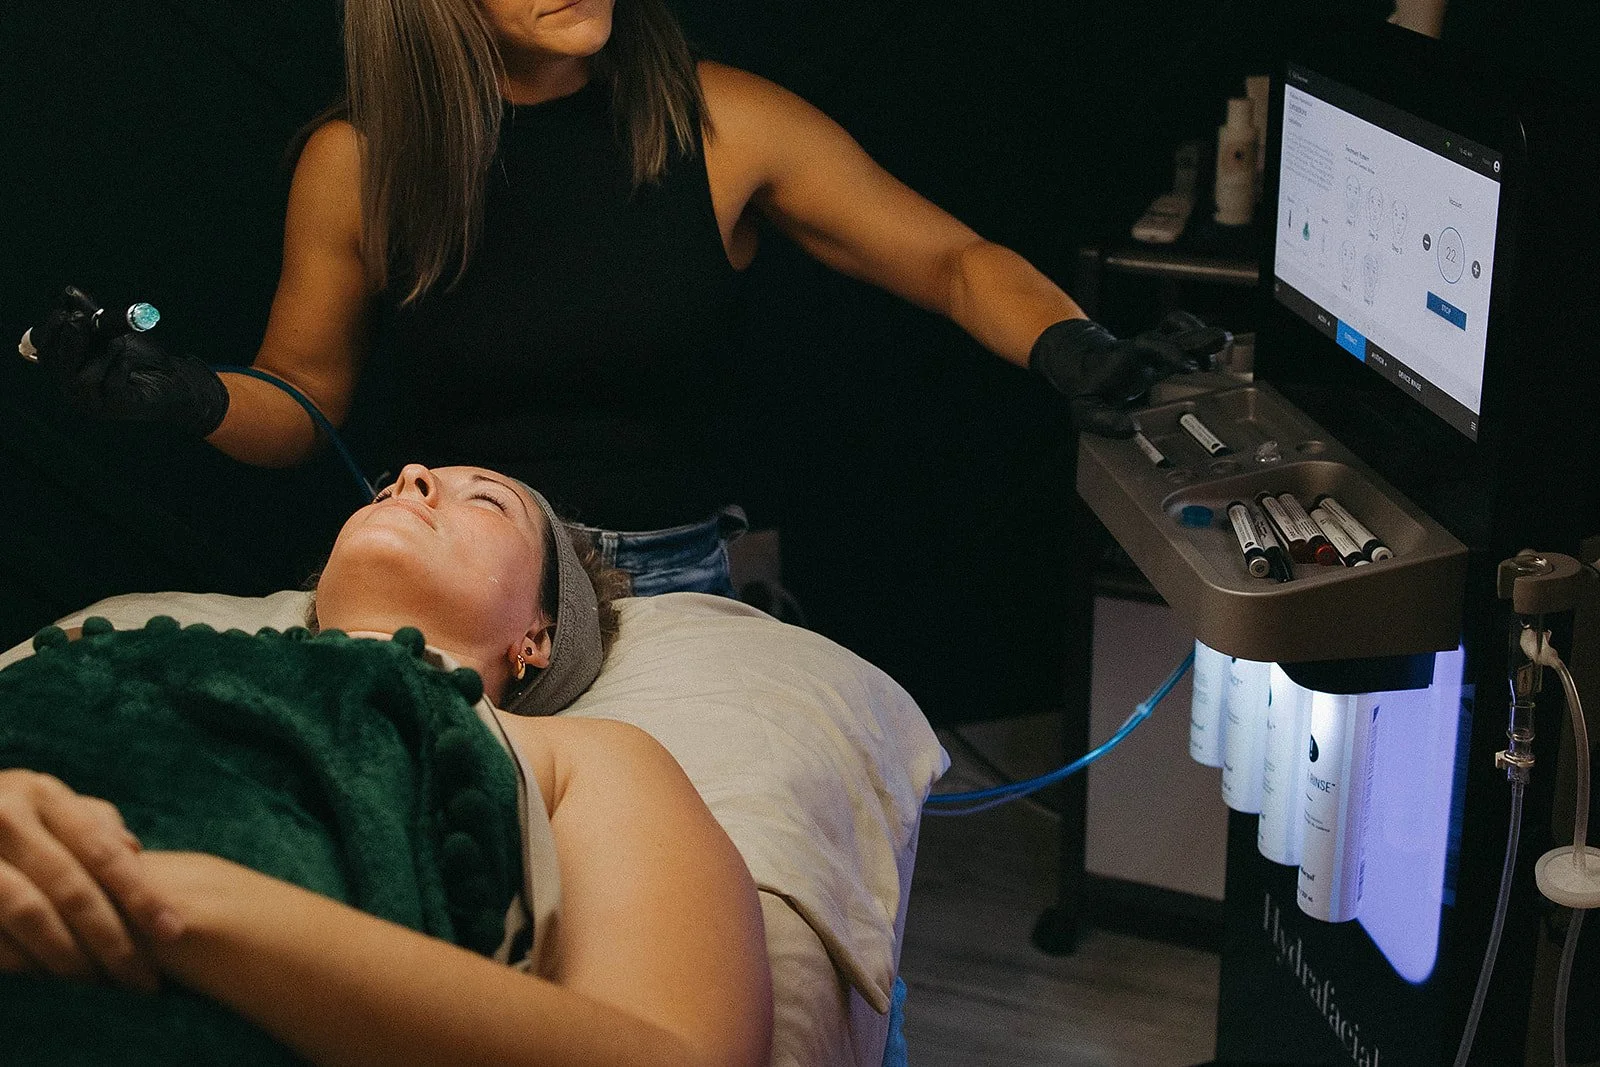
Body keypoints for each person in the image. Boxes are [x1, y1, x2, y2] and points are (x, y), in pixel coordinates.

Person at [24, 0, 1220, 596]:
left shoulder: (720, 118)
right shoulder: (359, 159)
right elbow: (301, 402)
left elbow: (953, 261)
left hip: (675, 578)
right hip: (454, 579)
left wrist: (1068, 342)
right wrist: (179, 396)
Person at [0, 463, 773, 1066]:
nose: (411, 478)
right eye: (390, 485)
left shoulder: (581, 756)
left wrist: (163, 897)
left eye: (487, 501)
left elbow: (678, 1052)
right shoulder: (107, 649)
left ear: (538, 632)